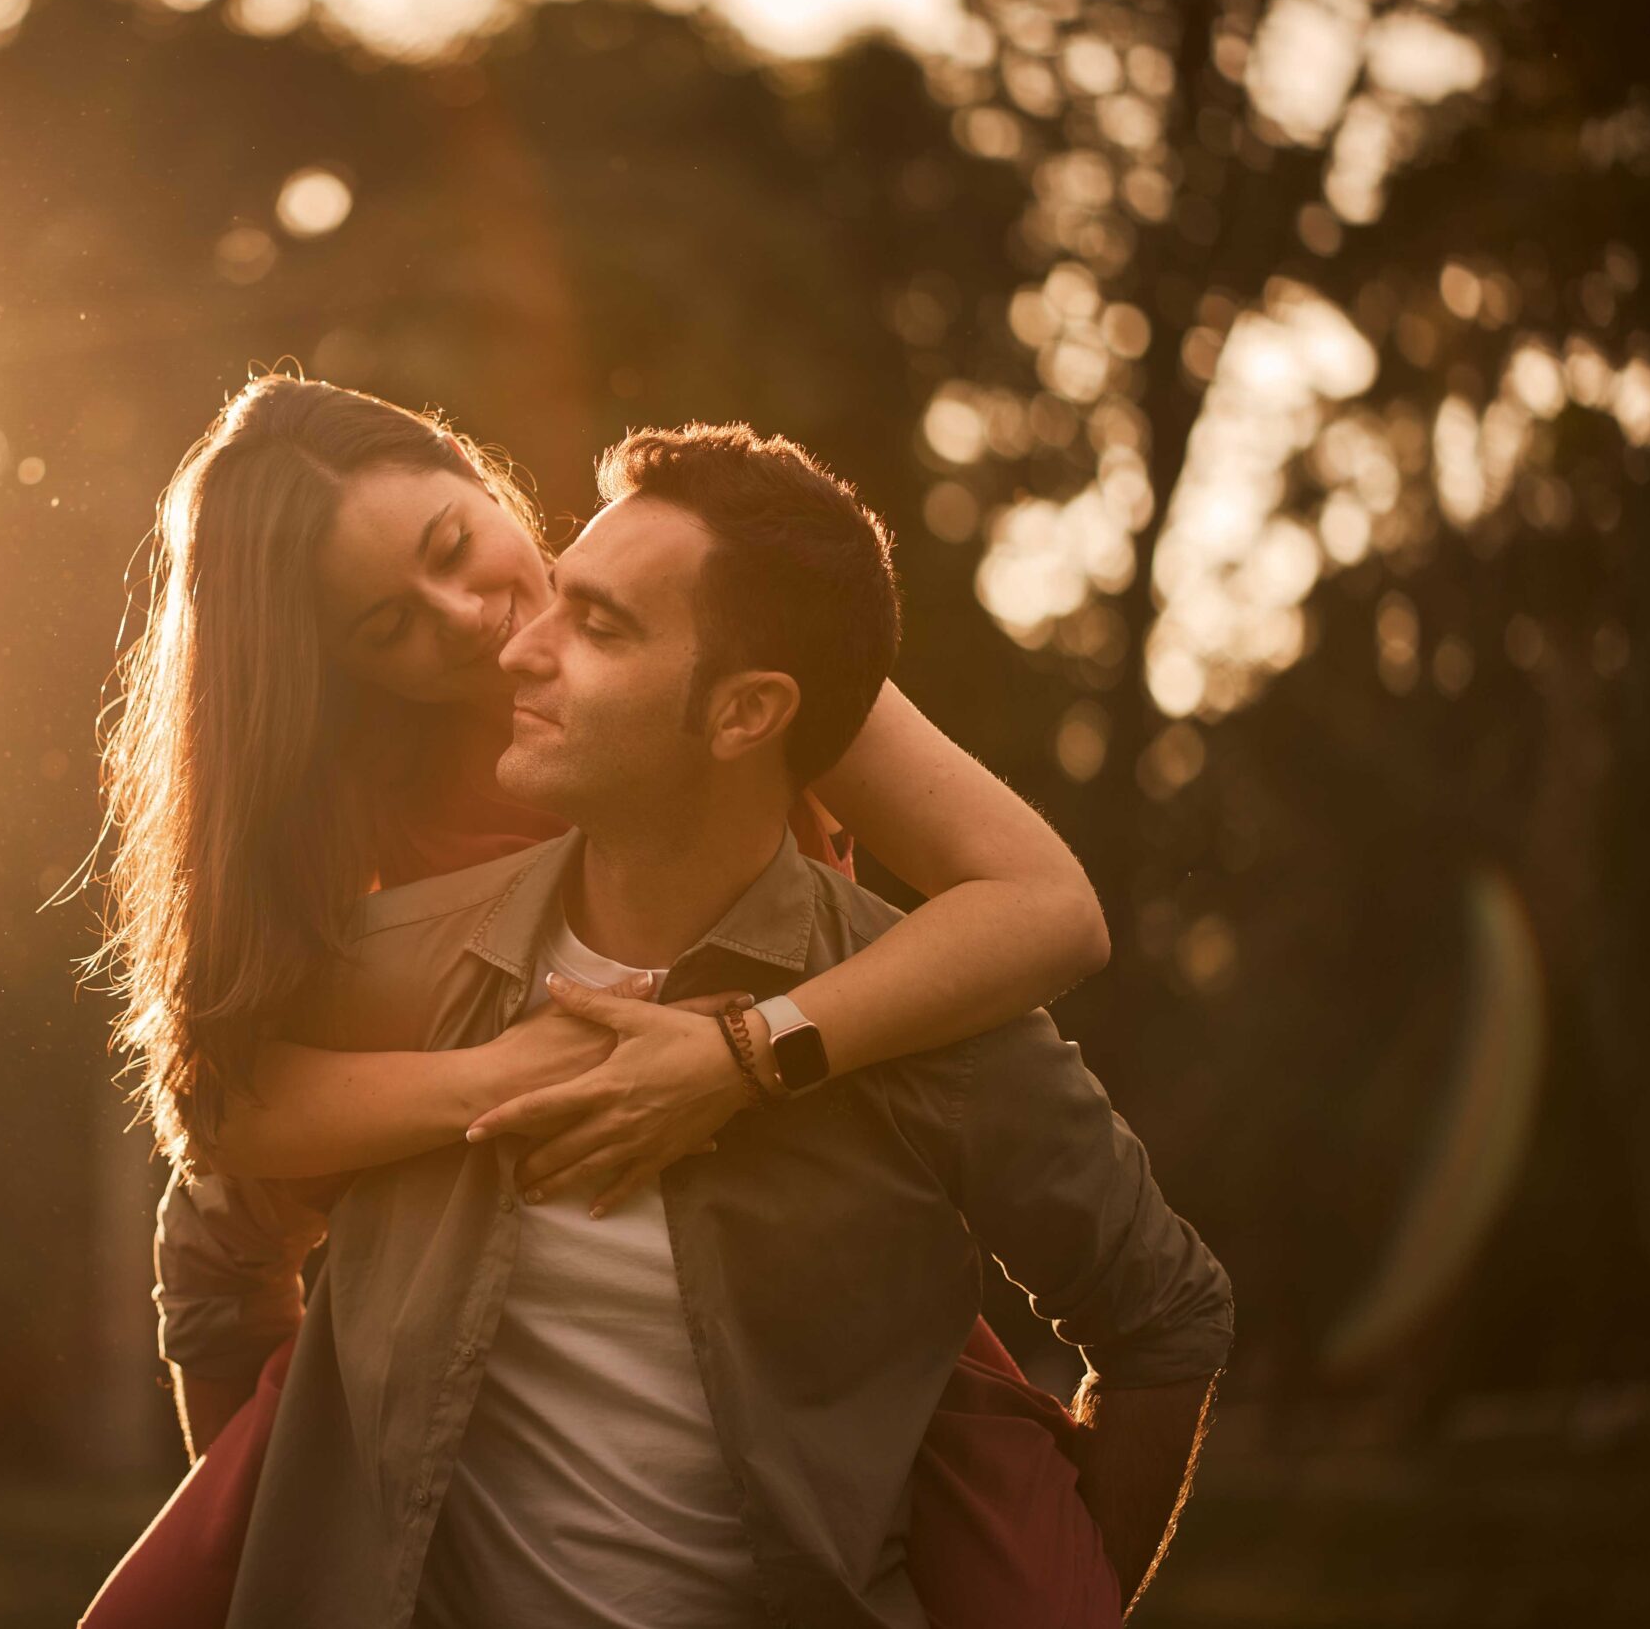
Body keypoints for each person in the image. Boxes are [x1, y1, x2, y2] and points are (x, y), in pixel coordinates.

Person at [144, 420, 1231, 1627]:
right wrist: (506, 1079)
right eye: (384, 627)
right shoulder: (356, 824)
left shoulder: (711, 640)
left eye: (455, 544)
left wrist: (746, 1053)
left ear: (483, 475)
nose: (467, 622)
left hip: (808, 1281)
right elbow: (222, 1120)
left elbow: (1047, 910)